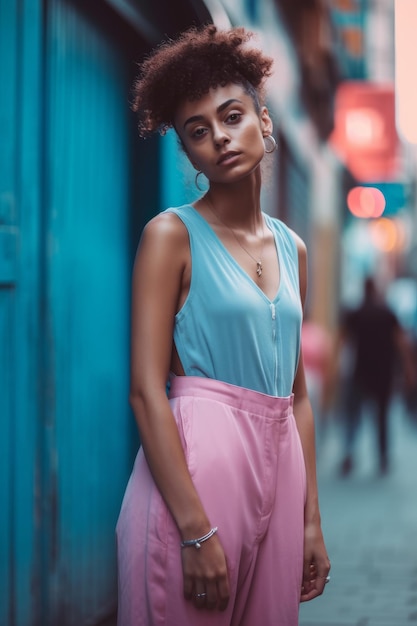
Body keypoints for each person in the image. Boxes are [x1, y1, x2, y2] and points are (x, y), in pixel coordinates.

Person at [116, 24, 330, 626]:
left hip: (280, 474)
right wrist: (194, 530)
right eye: (198, 131)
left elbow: (299, 398)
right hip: (197, 476)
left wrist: (310, 521)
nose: (220, 138)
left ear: (264, 120)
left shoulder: (294, 249)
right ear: (187, 152)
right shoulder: (170, 236)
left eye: (232, 116)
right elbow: (144, 390)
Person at [337, 276, 415, 476]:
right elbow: (401, 342)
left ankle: (349, 453)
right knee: (381, 417)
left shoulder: (355, 313)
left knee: (353, 415)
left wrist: (336, 368)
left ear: (364, 290)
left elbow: (342, 340)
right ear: (376, 290)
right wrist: (409, 370)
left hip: (360, 372)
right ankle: (382, 458)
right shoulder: (387, 313)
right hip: (383, 374)